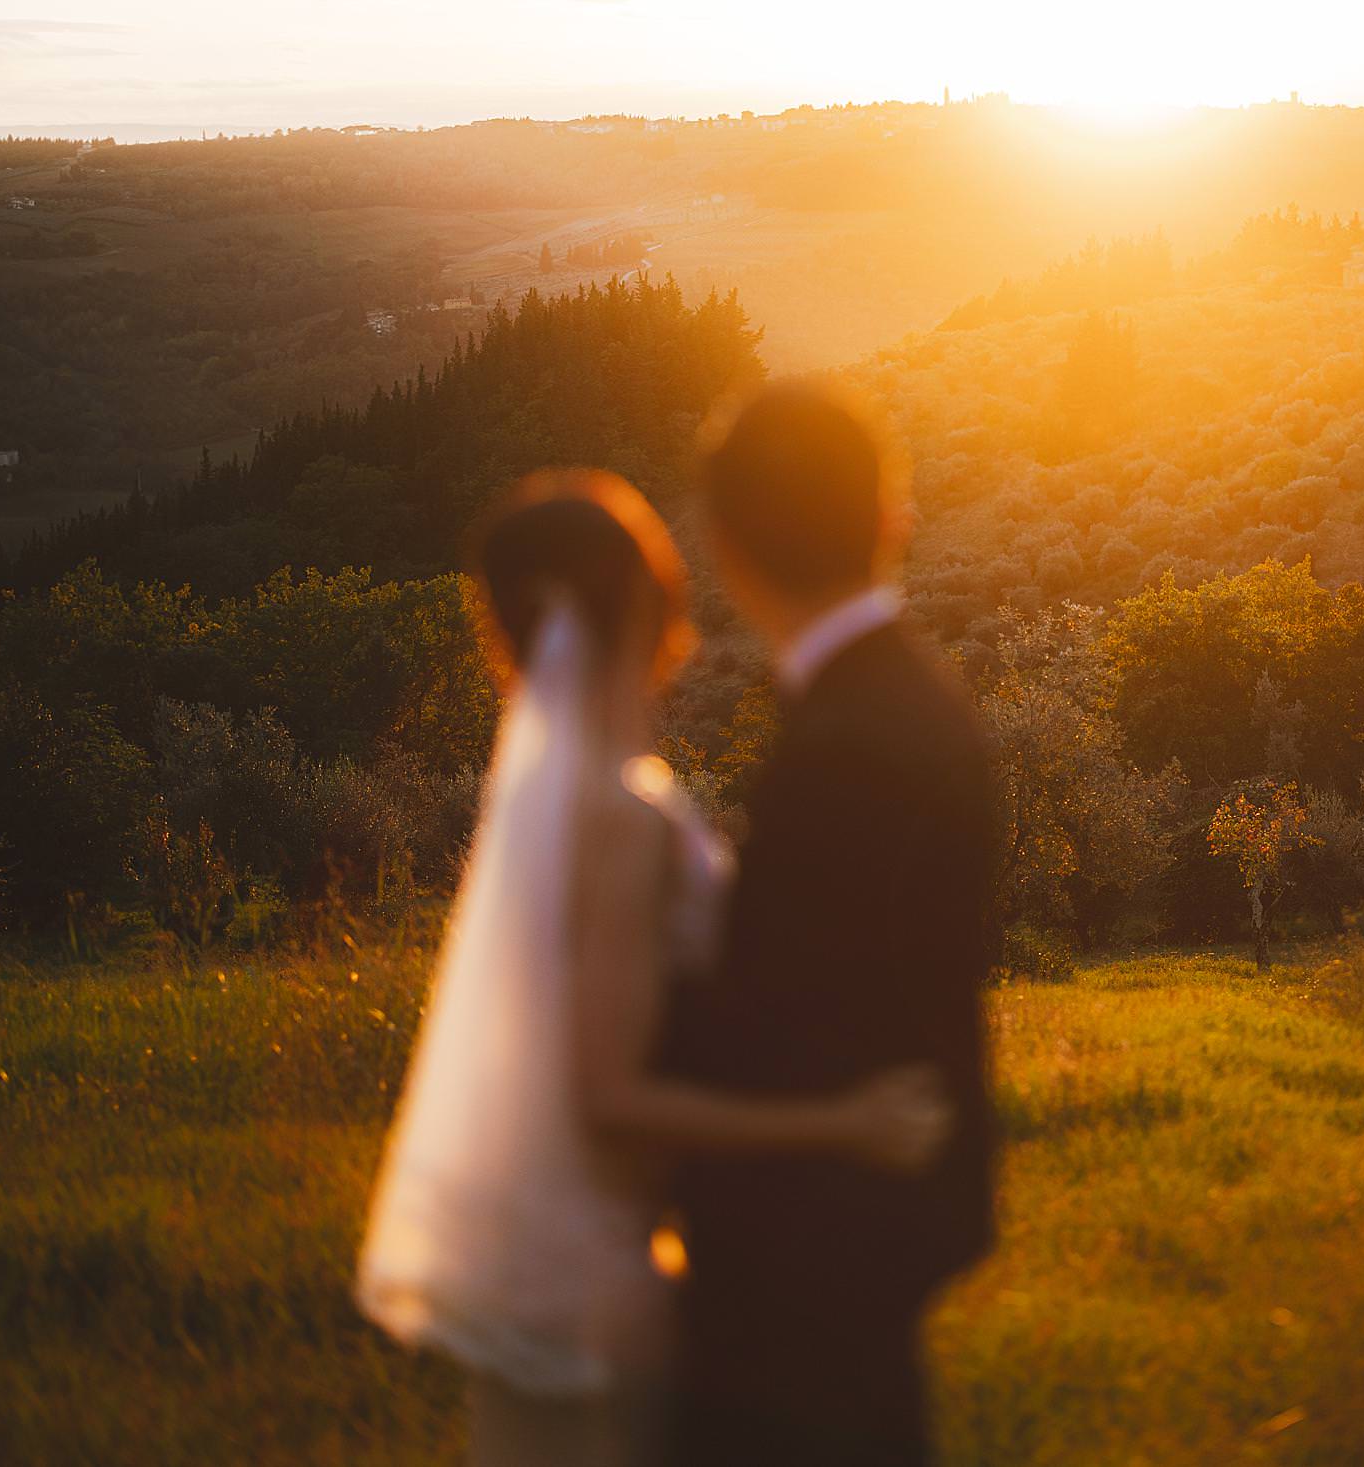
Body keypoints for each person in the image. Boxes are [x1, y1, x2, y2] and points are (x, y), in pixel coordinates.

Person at [354, 470, 951, 1467]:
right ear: (646, 599)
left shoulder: (565, 807)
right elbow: (609, 1097)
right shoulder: (620, 821)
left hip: (545, 1273)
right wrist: (841, 1122)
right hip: (603, 1288)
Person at [664, 383, 999, 1467]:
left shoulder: (844, 745)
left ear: (723, 550)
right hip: (865, 1238)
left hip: (803, 1266)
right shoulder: (917, 702)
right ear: (893, 517)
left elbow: (777, 1028)